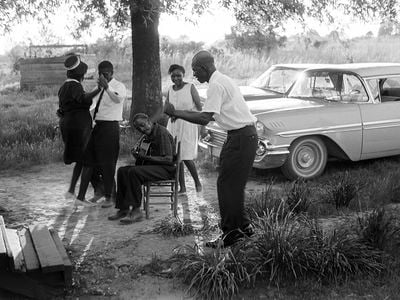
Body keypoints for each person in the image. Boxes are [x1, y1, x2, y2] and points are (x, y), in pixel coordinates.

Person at [164, 50, 258, 248]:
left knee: (226, 186)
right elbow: (210, 114)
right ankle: (244, 227)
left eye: (195, 70)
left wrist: (177, 113)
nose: (195, 75)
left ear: (204, 68)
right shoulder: (223, 80)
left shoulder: (216, 84)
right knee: (233, 185)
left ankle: (231, 234)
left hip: (240, 138)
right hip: (244, 136)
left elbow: (205, 118)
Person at [108, 113, 176, 224]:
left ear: (149, 121)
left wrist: (146, 157)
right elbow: (144, 156)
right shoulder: (147, 136)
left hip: (166, 169)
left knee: (134, 172)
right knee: (122, 171)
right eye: (139, 128)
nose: (142, 129)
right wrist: (137, 154)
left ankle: (136, 210)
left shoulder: (161, 133)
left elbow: (168, 159)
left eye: (143, 125)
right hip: (155, 167)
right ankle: (123, 208)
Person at [76, 60, 127, 207]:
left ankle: (110, 197)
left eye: (105, 74)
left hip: (111, 127)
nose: (102, 76)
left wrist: (107, 87)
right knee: (88, 161)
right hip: (97, 127)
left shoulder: (119, 86)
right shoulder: (98, 87)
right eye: (100, 74)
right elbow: (91, 105)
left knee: (108, 163)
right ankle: (91, 193)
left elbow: (117, 99)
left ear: (112, 73)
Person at [57, 55, 102, 201]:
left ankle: (71, 191)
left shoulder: (64, 87)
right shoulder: (75, 85)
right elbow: (83, 99)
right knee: (88, 159)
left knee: (80, 159)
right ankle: (81, 198)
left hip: (68, 124)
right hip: (79, 127)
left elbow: (62, 109)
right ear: (80, 74)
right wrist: (99, 89)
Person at [166, 64, 202, 193]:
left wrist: (182, 113)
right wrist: (171, 114)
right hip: (174, 124)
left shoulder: (190, 87)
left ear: (183, 75)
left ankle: (197, 183)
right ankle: (182, 187)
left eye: (178, 75)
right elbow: (167, 108)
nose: (176, 78)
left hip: (187, 124)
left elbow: (199, 108)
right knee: (176, 157)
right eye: (173, 75)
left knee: (186, 156)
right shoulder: (170, 89)